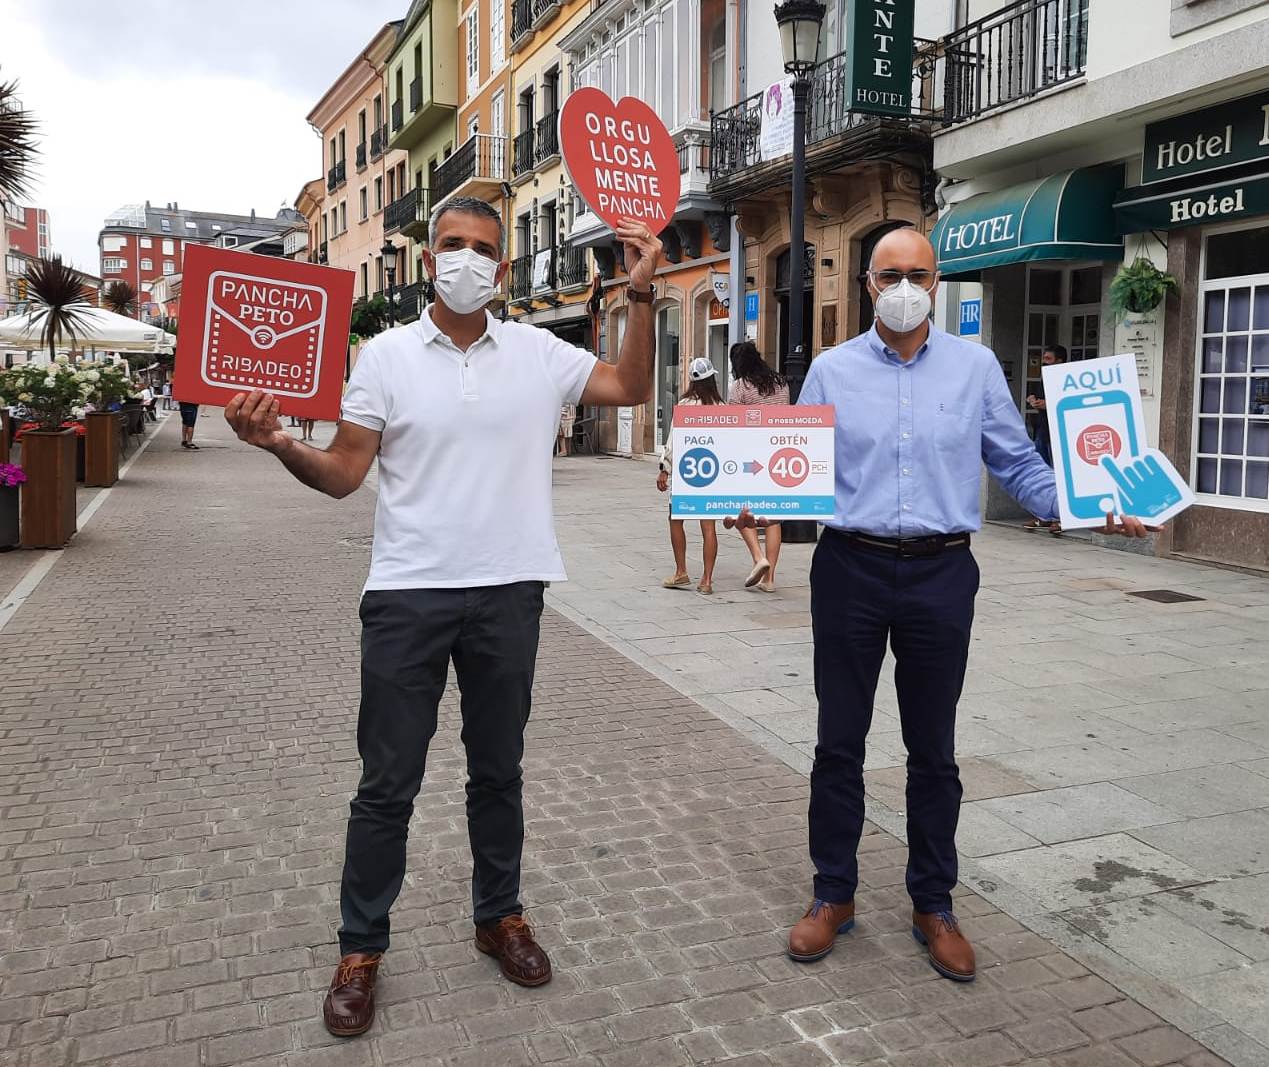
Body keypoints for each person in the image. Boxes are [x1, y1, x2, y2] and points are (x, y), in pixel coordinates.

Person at [225, 196, 661, 1038]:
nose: (467, 260)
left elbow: (630, 385)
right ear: (431, 258)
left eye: (483, 250)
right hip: (407, 593)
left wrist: (640, 295)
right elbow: (346, 472)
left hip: (509, 591)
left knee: (498, 772)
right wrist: (279, 445)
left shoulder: (538, 352)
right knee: (386, 784)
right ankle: (360, 950)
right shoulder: (384, 356)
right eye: (452, 245)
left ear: (501, 267)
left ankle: (499, 916)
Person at [728, 229, 1153, 983]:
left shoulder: (974, 366)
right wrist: (747, 498)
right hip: (849, 568)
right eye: (888, 273)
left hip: (940, 574)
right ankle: (833, 893)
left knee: (934, 751)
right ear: (866, 283)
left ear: (935, 277)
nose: (902, 285)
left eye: (916, 273)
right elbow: (797, 467)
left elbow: (1016, 462)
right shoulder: (830, 370)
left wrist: (1088, 503)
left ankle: (933, 901)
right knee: (838, 742)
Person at [728, 341, 790, 592]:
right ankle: (770, 579)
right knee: (773, 516)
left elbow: (733, 423)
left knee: (740, 508)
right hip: (777, 452)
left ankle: (758, 557)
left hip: (750, 454)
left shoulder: (741, 386)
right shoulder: (781, 382)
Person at [657, 357, 722, 595]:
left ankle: (681, 571)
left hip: (686, 473)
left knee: (676, 520)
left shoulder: (684, 406)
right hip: (711, 473)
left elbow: (673, 442)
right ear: (712, 379)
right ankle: (706, 580)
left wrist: (664, 468)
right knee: (708, 527)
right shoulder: (721, 409)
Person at [1024, 345, 1067, 534]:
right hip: (1042, 430)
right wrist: (1033, 400)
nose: (1044, 361)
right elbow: (1040, 398)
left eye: (1048, 359)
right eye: (1044, 358)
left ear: (1060, 361)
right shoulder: (1044, 378)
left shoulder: (1068, 379)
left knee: (1059, 475)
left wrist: (1048, 404)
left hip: (1059, 433)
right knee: (1041, 475)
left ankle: (1060, 518)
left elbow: (1068, 402)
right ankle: (1042, 516)